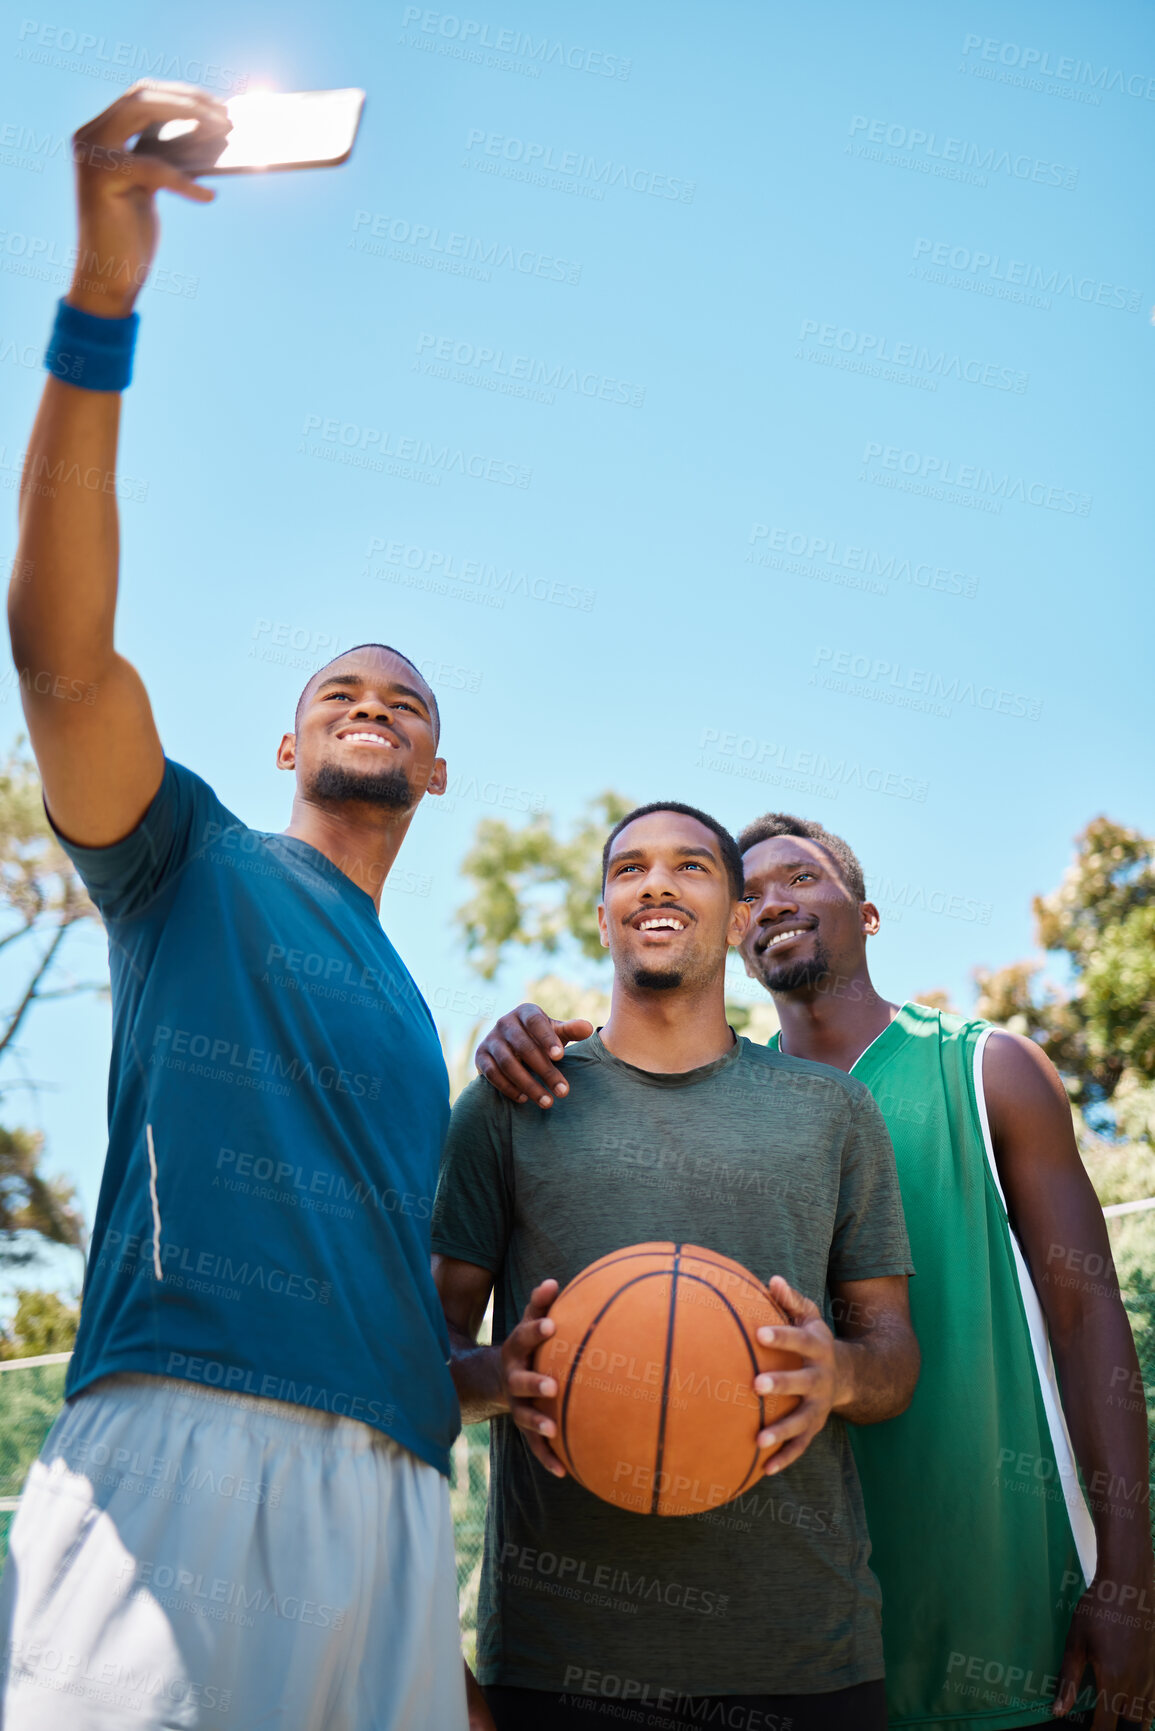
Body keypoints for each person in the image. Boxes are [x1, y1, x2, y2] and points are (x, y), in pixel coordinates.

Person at [0, 84, 476, 1731]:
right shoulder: (188, 860)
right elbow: (61, 654)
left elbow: (397, 1295)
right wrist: (104, 299)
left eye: (404, 701)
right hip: (177, 1457)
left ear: (435, 771)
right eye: (339, 687)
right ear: (289, 740)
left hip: (405, 1496)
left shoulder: (424, 1023)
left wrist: (517, 1374)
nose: (371, 703)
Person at [477, 813, 1155, 1731]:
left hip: (1004, 1610)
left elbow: (1086, 1321)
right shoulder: (733, 1111)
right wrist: (522, 1038)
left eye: (801, 879)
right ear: (727, 933)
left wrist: (1129, 1577)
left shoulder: (985, 1068)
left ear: (867, 914)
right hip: (816, 1635)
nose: (772, 903)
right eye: (748, 891)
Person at [433, 802, 920, 1731]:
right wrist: (499, 1375)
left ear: (740, 917)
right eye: (629, 870)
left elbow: (894, 1355)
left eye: (691, 866)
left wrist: (840, 1372)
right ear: (604, 912)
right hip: (559, 1660)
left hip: (806, 1658)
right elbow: (418, 1347)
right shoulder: (511, 1101)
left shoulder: (832, 1112)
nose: (655, 883)